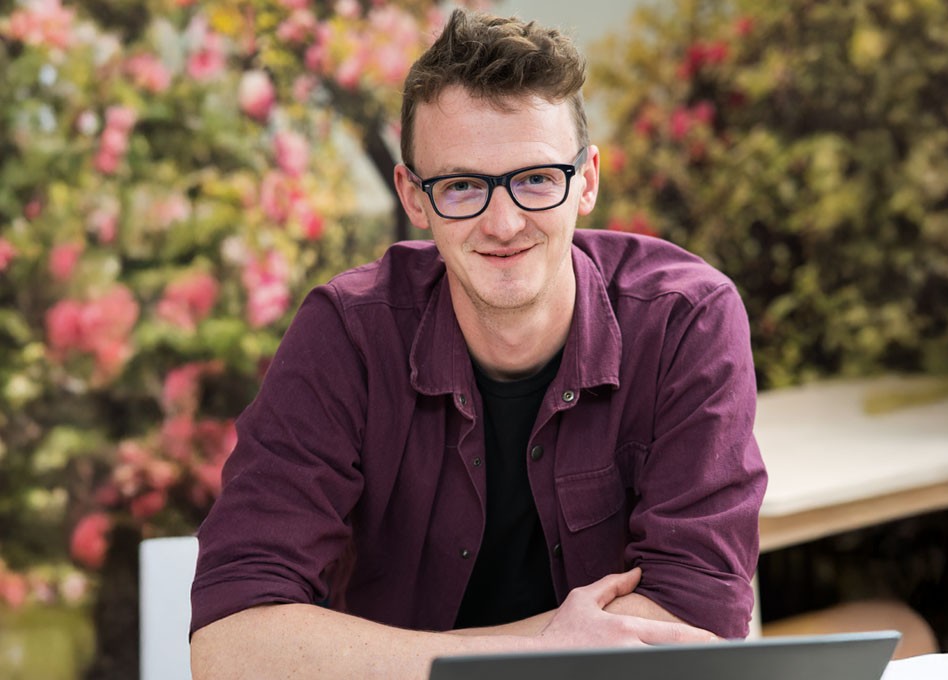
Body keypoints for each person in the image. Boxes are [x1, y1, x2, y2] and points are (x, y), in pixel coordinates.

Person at [189, 9, 767, 679]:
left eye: (536, 178)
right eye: (462, 185)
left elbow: (698, 618)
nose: (504, 221)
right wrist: (541, 652)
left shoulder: (684, 320)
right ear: (414, 196)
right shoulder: (345, 336)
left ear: (587, 180)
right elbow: (227, 646)